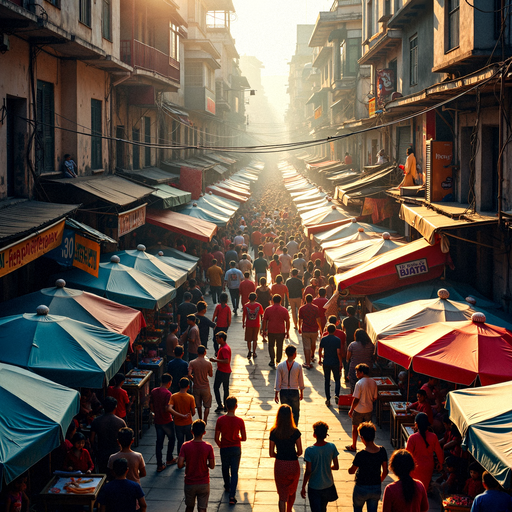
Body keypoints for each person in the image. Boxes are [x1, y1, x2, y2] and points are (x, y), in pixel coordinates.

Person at [348, 422, 388, 512]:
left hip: (361, 487)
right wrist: (378, 481)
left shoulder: (361, 454)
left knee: (357, 508)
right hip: (376, 487)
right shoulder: (382, 451)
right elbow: (385, 471)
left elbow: (351, 471)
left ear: (362, 438)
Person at [269, 404, 302, 512]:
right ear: (290, 416)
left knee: (282, 495)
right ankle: (289, 510)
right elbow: (300, 451)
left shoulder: (274, 432)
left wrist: (278, 456)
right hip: (293, 464)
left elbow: (271, 453)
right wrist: (294, 454)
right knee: (292, 492)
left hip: (280, 465)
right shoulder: (295, 432)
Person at [215, 396, 247, 505]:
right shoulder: (239, 421)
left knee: (225, 468)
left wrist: (222, 445)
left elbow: (216, 438)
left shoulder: (220, 420)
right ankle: (232, 496)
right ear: (236, 406)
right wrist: (236, 438)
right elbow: (244, 438)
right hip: (236, 448)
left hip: (224, 447)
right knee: (234, 472)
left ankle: (227, 485)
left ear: (226, 406)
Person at [300, 421, 339, 512]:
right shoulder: (331, 447)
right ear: (326, 434)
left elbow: (308, 471)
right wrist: (327, 467)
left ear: (314, 434)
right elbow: (336, 466)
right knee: (323, 508)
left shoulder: (309, 451)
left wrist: (303, 486)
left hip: (314, 486)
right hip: (327, 485)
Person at [178, 420, 215, 512]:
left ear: (192, 432)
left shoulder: (185, 446)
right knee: (202, 508)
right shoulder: (208, 447)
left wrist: (188, 463)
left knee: (189, 507)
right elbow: (212, 465)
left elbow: (179, 464)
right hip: (204, 482)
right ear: (204, 432)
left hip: (190, 482)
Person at [405, 412, 444, 492]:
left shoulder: (412, 438)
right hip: (428, 467)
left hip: (415, 468)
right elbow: (439, 452)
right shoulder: (433, 436)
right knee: (423, 489)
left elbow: (407, 456)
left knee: (414, 491)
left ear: (416, 424)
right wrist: (440, 463)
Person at [90, 397, 127, 473]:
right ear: (115, 407)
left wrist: (95, 450)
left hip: (102, 452)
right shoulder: (120, 422)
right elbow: (126, 438)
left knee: (103, 474)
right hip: (116, 452)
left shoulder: (96, 421)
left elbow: (92, 439)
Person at [149, 373, 177, 472]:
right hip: (167, 420)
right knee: (172, 439)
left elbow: (151, 404)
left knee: (159, 443)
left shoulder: (154, 391)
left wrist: (155, 413)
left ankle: (159, 464)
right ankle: (169, 458)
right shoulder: (168, 394)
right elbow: (167, 408)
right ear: (169, 383)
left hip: (158, 420)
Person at [347, 364, 378, 453]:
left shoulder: (359, 383)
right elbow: (375, 397)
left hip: (359, 409)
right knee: (368, 429)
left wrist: (351, 409)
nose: (356, 374)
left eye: (357, 372)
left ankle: (353, 445)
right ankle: (369, 446)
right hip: (369, 409)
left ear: (361, 372)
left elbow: (356, 399)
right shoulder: (373, 382)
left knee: (355, 427)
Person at [274, 345, 304, 426]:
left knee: (285, 412)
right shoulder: (298, 366)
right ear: (294, 354)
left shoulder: (280, 366)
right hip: (294, 391)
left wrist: (276, 393)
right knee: (295, 412)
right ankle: (294, 427)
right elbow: (300, 380)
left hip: (283, 391)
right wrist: (301, 391)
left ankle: (285, 427)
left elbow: (278, 381)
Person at [318, 324, 343, 407]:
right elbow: (338, 352)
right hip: (335, 362)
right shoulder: (337, 340)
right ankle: (336, 395)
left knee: (327, 380)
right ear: (335, 330)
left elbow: (320, 349)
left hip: (326, 362)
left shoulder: (324, 339)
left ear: (327, 330)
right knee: (337, 379)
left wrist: (320, 359)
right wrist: (340, 363)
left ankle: (328, 399)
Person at [262, 294, 290, 368]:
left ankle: (272, 359)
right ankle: (278, 359)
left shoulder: (268, 309)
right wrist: (287, 331)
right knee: (279, 345)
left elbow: (264, 320)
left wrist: (264, 330)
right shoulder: (284, 310)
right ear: (280, 301)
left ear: (272, 301)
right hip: (281, 330)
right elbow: (287, 321)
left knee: (271, 345)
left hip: (271, 330)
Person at [169, 377, 196, 455]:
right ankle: (188, 455)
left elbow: (170, 407)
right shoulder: (191, 397)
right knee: (189, 441)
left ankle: (180, 456)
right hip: (188, 423)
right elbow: (193, 412)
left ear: (179, 385)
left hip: (178, 423)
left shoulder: (174, 396)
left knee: (180, 441)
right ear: (188, 386)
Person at [188, 346, 213, 424]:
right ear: (205, 352)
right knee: (207, 405)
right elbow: (211, 375)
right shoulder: (208, 363)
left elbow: (189, 374)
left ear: (197, 352)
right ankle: (205, 421)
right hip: (205, 386)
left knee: (198, 405)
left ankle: (200, 419)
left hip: (196, 386)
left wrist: (193, 379)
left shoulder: (192, 362)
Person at [210, 331, 232, 413]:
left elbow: (226, 361)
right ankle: (226, 406)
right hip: (225, 370)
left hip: (222, 371)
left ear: (221, 339)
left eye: (217, 338)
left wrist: (215, 360)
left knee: (217, 387)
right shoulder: (223, 347)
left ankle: (220, 405)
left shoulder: (224, 349)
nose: (216, 340)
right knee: (225, 388)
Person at [299, 294, 322, 369]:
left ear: (305, 299)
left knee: (306, 347)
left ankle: (307, 362)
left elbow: (300, 319)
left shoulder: (302, 308)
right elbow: (318, 319)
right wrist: (320, 329)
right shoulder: (315, 308)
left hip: (305, 329)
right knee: (313, 344)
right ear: (312, 300)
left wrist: (299, 327)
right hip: (314, 329)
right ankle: (312, 355)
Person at [243, 291, 264, 359]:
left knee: (248, 339)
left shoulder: (246, 306)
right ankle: (254, 352)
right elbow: (261, 314)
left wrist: (243, 323)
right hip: (256, 324)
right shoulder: (258, 305)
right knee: (255, 339)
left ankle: (249, 351)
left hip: (249, 324)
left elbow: (244, 315)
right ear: (255, 298)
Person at [342, 306, 360, 380]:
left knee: (347, 359)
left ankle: (347, 375)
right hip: (356, 340)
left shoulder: (345, 320)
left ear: (347, 312)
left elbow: (344, 331)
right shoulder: (357, 321)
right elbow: (359, 330)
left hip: (347, 340)